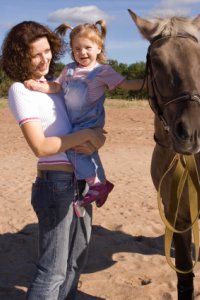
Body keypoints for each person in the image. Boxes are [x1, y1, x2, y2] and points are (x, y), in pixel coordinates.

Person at [1, 20, 106, 300]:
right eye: (34, 54)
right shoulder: (20, 91)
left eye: (47, 51)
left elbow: (83, 127)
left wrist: (97, 137)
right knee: (52, 271)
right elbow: (42, 146)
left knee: (75, 265)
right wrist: (86, 134)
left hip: (82, 182)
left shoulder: (57, 87)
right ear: (19, 57)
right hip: (55, 186)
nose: (43, 59)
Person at [24, 19, 144, 209]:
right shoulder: (69, 69)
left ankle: (97, 185)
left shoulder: (102, 71)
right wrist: (40, 86)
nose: (82, 52)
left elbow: (126, 85)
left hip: (89, 121)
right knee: (89, 154)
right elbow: (56, 86)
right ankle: (102, 182)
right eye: (77, 49)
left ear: (99, 47)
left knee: (76, 152)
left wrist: (150, 83)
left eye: (87, 47)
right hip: (74, 121)